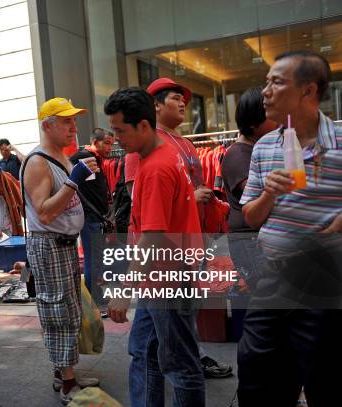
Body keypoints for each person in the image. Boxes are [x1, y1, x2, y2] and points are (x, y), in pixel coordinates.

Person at [238, 51, 342, 406]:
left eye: (276, 82)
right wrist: (269, 192)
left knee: (325, 381)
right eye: (266, 81)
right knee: (257, 375)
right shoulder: (266, 146)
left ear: (308, 91)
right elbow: (251, 218)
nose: (265, 91)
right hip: (275, 278)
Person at [104, 87, 205, 407]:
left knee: (179, 364)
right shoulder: (161, 155)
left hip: (167, 278)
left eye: (120, 130)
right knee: (145, 351)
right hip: (161, 277)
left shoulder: (157, 167)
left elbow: (153, 235)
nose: (115, 138)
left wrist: (124, 289)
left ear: (144, 126)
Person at [146, 77, 233, 379]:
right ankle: (185, 368)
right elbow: (141, 202)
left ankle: (185, 360)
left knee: (179, 316)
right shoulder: (147, 146)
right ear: (155, 106)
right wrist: (191, 197)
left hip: (193, 240)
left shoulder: (183, 143)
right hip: (167, 250)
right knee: (171, 322)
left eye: (183, 98)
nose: (183, 102)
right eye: (174, 98)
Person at [22, 97, 100, 404]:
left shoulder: (60, 157)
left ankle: (64, 373)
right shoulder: (39, 161)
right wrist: (74, 181)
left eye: (73, 120)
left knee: (69, 310)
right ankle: (68, 384)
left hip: (64, 246)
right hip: (50, 245)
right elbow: (44, 213)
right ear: (47, 126)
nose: (73, 126)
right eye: (66, 121)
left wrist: (80, 177)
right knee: (59, 312)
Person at [222, 88, 277, 291]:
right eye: (271, 116)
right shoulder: (238, 155)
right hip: (249, 241)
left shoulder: (257, 149)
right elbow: (257, 197)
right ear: (254, 123)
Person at [69, 128, 114, 306]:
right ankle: (92, 299)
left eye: (112, 143)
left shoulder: (95, 159)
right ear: (96, 142)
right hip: (89, 217)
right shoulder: (83, 157)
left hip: (96, 217)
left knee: (96, 258)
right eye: (107, 143)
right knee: (92, 258)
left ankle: (94, 295)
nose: (110, 147)